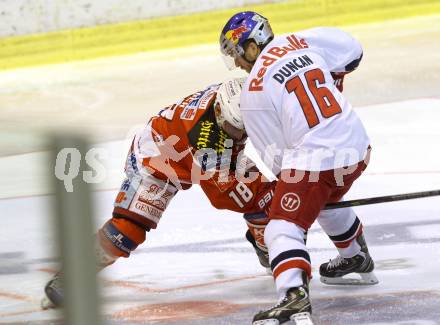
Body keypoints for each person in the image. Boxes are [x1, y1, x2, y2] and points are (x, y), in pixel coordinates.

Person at [41, 77, 276, 309]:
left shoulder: (234, 99)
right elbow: (223, 196)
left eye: (242, 128)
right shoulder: (208, 138)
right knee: (126, 231)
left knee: (264, 196)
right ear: (218, 111)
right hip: (156, 159)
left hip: (199, 150)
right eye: (233, 128)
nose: (239, 134)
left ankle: (267, 247)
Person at [220, 11, 378, 325]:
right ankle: (355, 257)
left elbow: (280, 160)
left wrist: (289, 202)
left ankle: (293, 297)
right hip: (357, 146)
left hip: (320, 156)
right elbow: (352, 50)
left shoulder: (253, 90)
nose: (238, 63)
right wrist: (333, 83)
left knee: (282, 226)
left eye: (237, 54)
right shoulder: (299, 41)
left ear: (252, 47)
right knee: (324, 198)